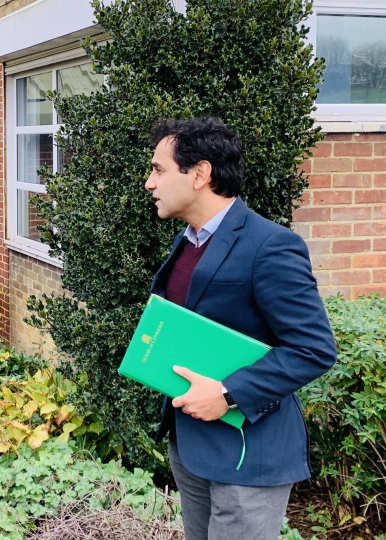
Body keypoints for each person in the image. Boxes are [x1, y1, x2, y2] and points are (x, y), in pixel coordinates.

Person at [145, 117, 336, 540]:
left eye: (158, 170)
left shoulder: (270, 246)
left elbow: (313, 349)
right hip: (192, 447)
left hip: (249, 458)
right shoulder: (189, 240)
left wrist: (229, 393)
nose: (149, 183)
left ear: (199, 174)